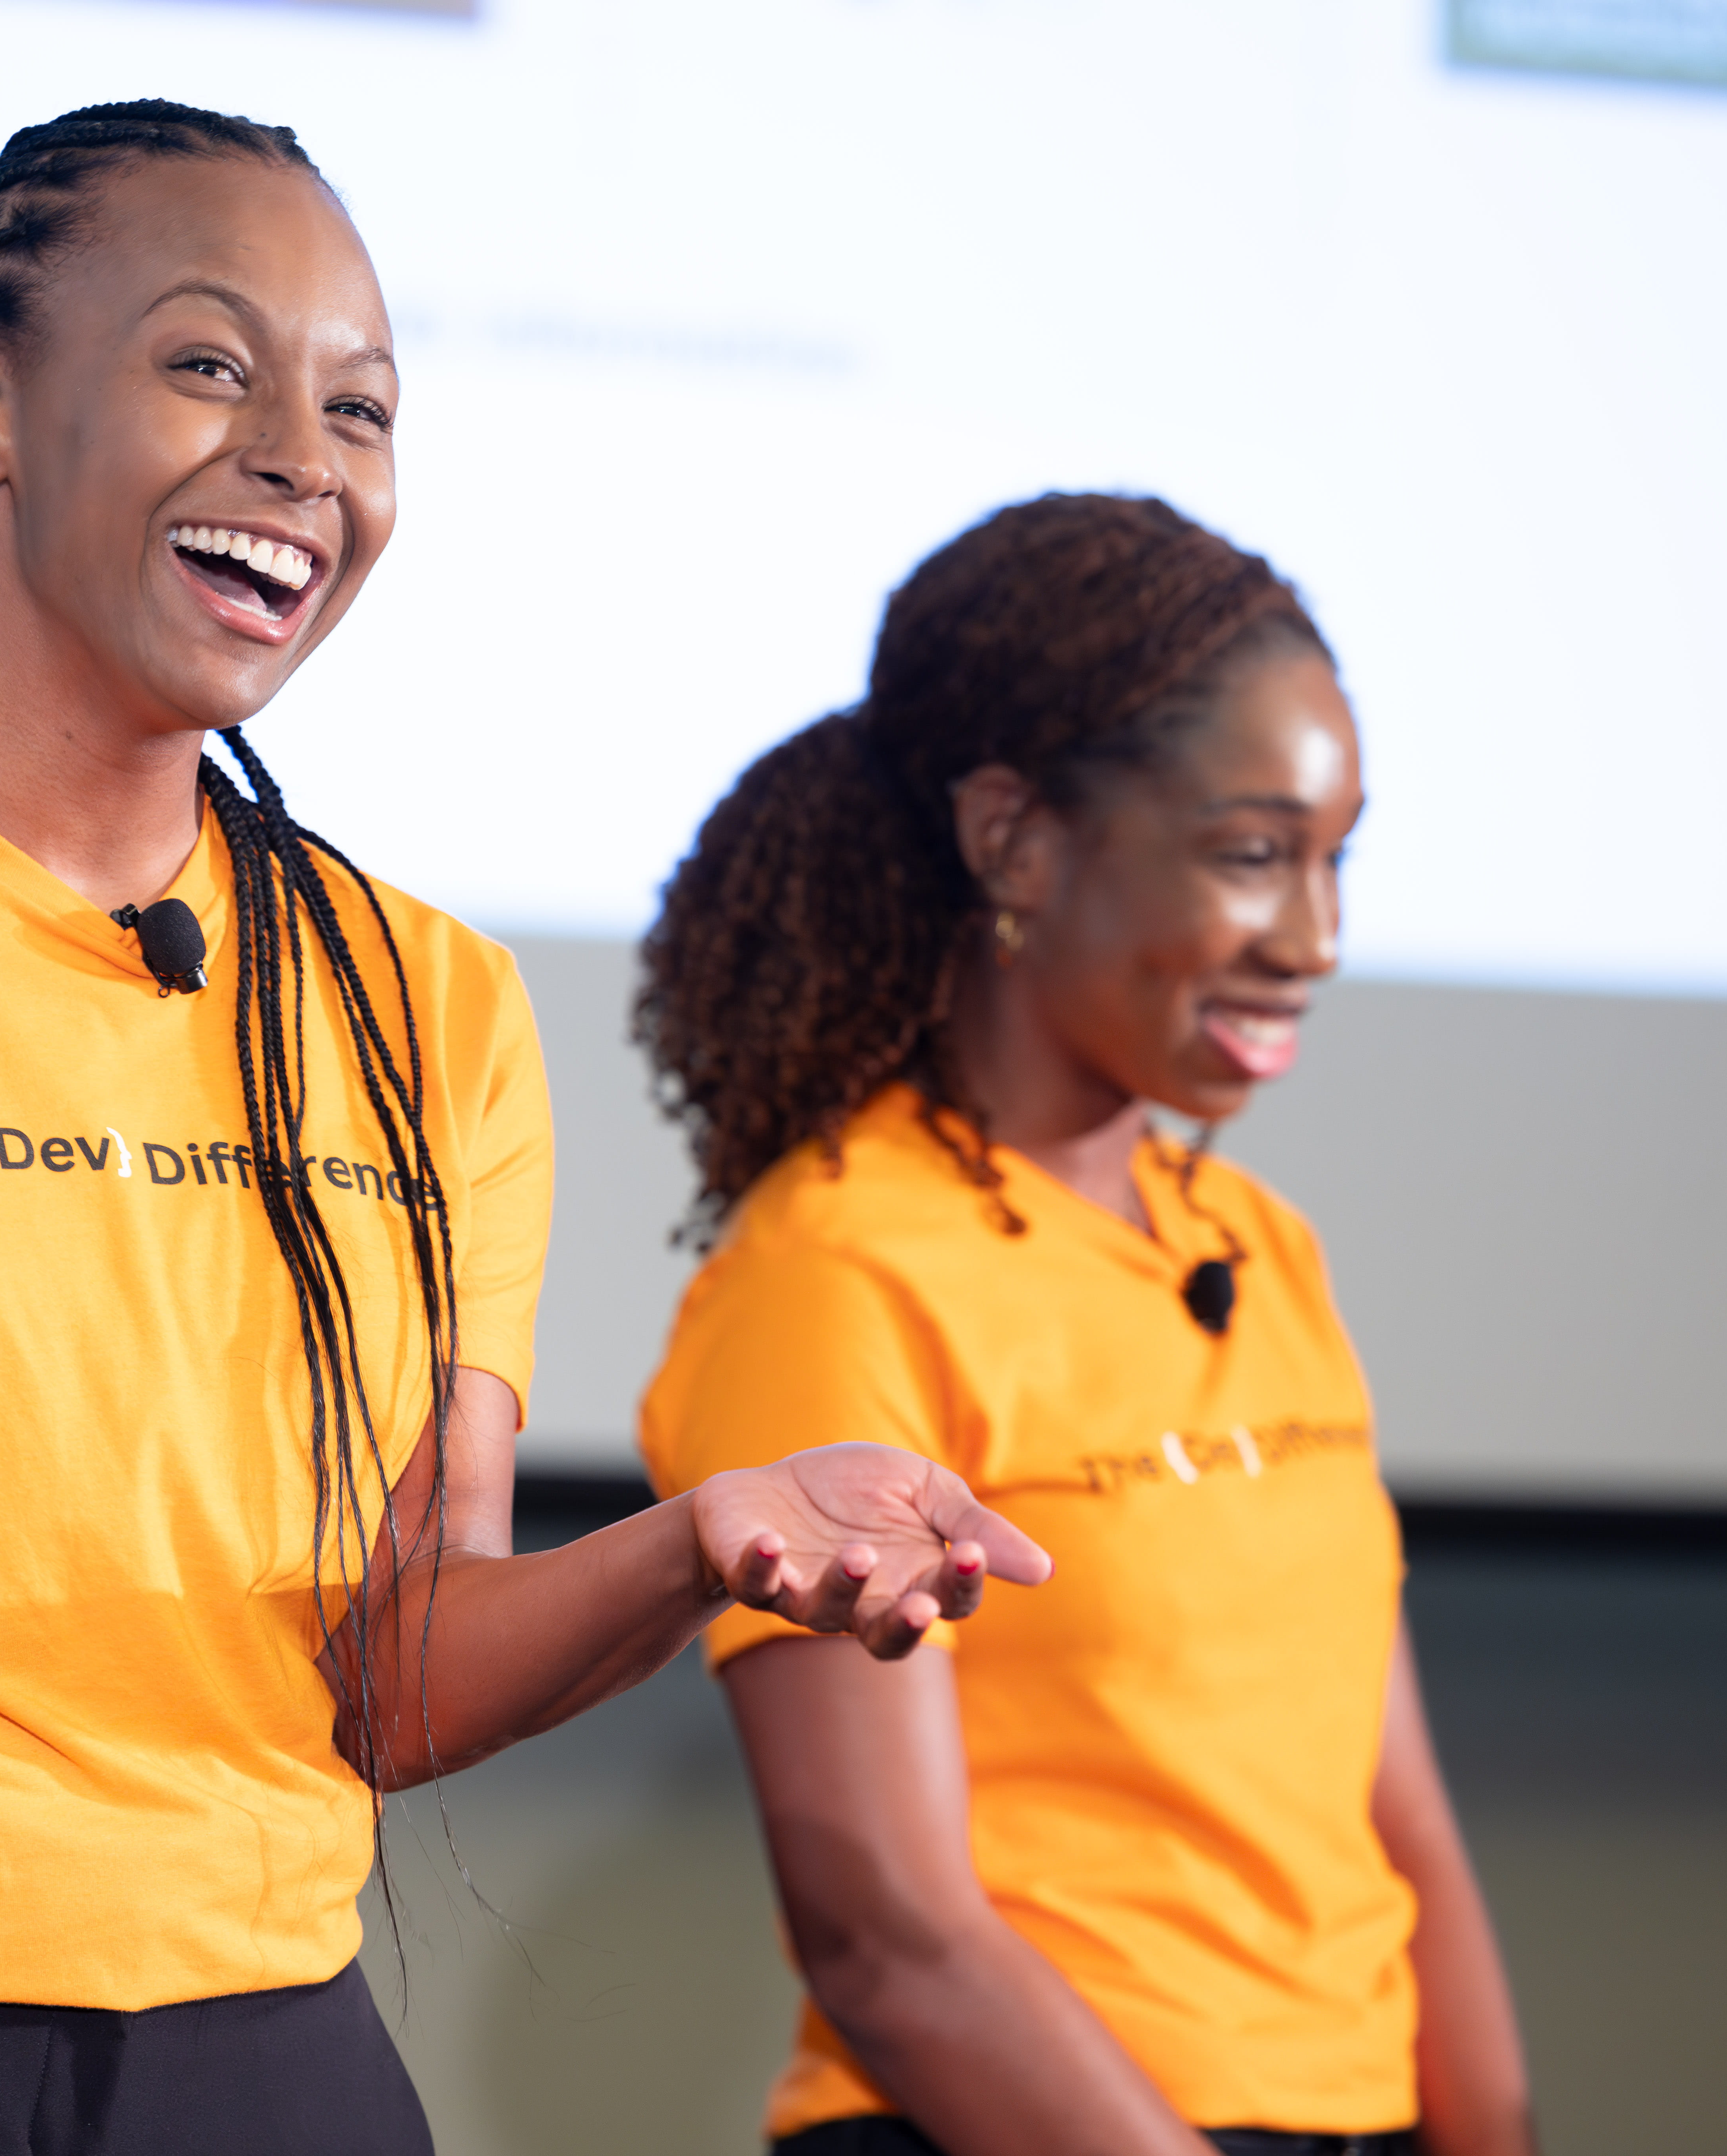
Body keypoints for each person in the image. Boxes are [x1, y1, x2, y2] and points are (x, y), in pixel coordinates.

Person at [0, 101, 1049, 2156]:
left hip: (254, 2051)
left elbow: (389, 1679)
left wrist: (691, 1548)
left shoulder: (420, 1000)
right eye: (213, 365)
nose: (306, 457)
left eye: (361, 408)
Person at [635, 496, 1538, 2156]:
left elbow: (1391, 1808)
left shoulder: (1260, 1247)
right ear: (1015, 839)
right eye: (1252, 854)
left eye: (1337, 859)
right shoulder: (835, 1271)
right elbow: (889, 1940)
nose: (1315, 939)